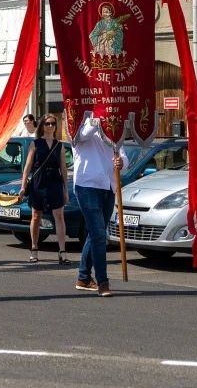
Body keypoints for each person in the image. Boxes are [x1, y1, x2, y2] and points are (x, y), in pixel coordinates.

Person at [71, 115, 129, 298]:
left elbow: (124, 156)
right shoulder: (80, 124)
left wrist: (122, 163)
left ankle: (83, 277)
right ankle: (103, 282)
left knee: (95, 233)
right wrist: (98, 119)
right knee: (98, 236)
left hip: (109, 186)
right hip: (87, 186)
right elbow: (82, 135)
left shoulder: (113, 130)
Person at [18, 113, 69, 264]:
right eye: (47, 124)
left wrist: (66, 190)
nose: (51, 126)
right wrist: (23, 186)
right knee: (36, 215)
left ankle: (62, 251)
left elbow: (64, 169)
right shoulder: (35, 144)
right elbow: (27, 168)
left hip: (54, 182)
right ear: (42, 126)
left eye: (53, 123)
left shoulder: (59, 145)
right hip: (38, 182)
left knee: (59, 215)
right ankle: (34, 248)